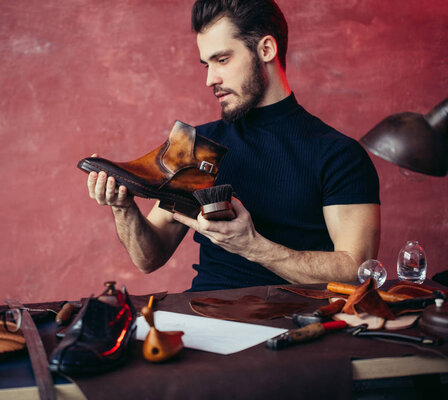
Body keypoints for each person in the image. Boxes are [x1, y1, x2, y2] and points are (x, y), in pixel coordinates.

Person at [85, 0, 380, 291]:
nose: (210, 79)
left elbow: (357, 271)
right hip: (200, 318)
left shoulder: (340, 155)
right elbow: (149, 258)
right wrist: (123, 207)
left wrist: (252, 247)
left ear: (266, 49)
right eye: (206, 64)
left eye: (222, 60)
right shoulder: (195, 146)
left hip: (292, 325)